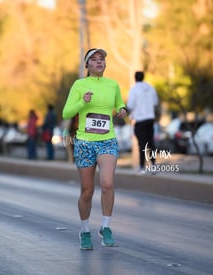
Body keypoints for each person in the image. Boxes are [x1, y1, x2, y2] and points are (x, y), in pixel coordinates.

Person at [62, 48, 127, 250]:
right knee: (87, 191)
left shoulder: (113, 85)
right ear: (87, 66)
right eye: (94, 59)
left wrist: (122, 110)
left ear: (105, 64)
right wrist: (83, 102)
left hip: (107, 140)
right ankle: (84, 230)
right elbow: (66, 113)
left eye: (102, 59)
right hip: (84, 142)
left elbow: (120, 105)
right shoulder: (80, 85)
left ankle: (105, 227)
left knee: (107, 184)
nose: (99, 62)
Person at [127, 71, 159, 173]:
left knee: (142, 144)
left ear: (135, 78)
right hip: (150, 119)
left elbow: (130, 105)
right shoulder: (150, 88)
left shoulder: (134, 89)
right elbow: (155, 102)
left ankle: (142, 166)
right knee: (151, 143)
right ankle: (153, 165)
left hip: (140, 120)